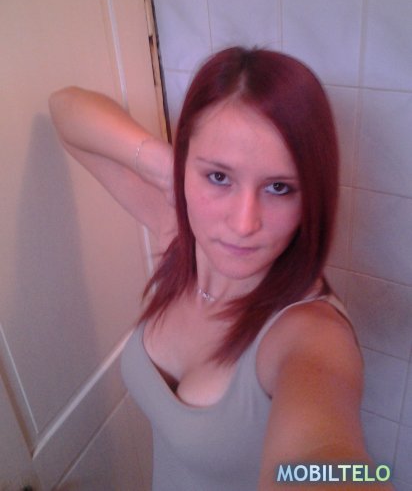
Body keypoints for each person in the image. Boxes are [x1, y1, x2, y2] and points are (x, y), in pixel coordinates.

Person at [49, 47, 392, 491]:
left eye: (279, 187)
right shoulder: (179, 237)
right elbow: (65, 109)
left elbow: (329, 459)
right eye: (218, 177)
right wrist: (164, 167)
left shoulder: (311, 337)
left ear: (312, 197)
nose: (244, 224)